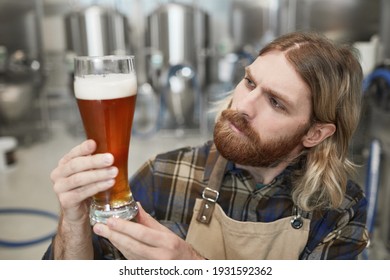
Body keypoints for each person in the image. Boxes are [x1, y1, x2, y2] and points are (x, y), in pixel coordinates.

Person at [43, 31, 368, 260]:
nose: (243, 106)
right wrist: (72, 221)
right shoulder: (165, 175)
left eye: (275, 103)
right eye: (250, 82)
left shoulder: (340, 210)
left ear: (315, 134)